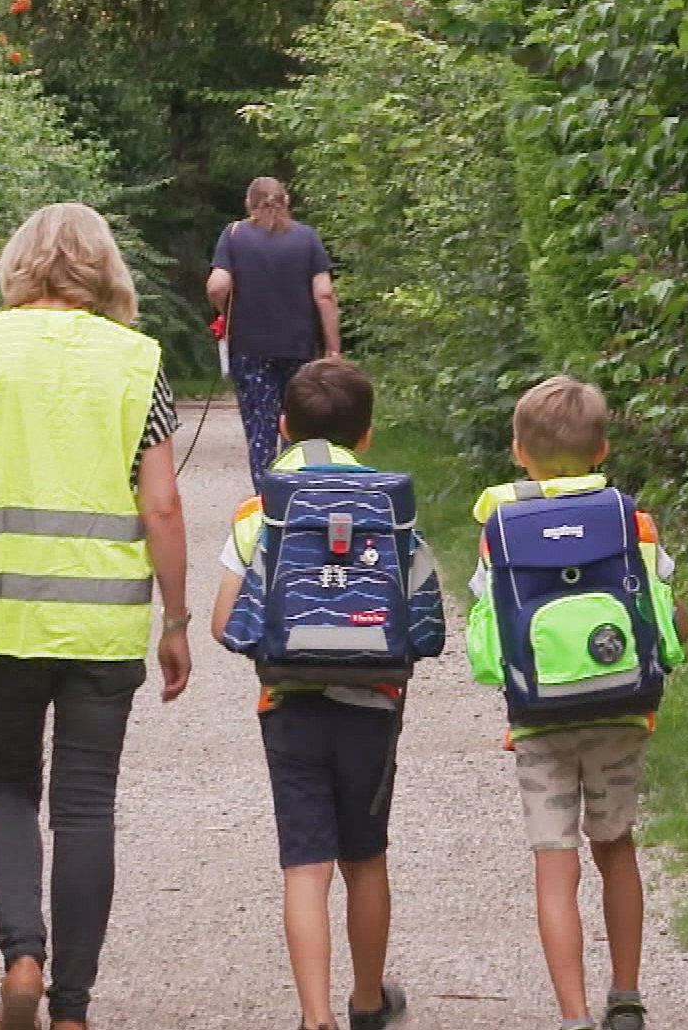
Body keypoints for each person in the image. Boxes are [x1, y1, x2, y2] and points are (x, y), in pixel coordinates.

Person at [0, 202, 194, 1030]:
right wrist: (174, 621)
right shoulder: (139, 362)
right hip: (103, 624)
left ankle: (22, 961)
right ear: (104, 267)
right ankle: (71, 1010)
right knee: (84, 806)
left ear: (20, 262)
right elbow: (166, 505)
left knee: (4, 790)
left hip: (1, 616)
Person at [465, 376, 688, 1030]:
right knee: (615, 846)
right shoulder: (632, 520)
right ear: (603, 448)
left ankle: (572, 1015)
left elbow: (487, 622)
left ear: (518, 451)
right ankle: (625, 995)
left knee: (554, 863)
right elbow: (666, 605)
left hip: (540, 718)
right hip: (621, 710)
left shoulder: (500, 529)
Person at [210, 359, 426, 1030]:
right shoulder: (393, 505)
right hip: (373, 704)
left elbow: (225, 622)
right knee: (366, 858)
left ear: (282, 427)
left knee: (306, 864)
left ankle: (315, 1016)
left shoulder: (261, 510)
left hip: (290, 706)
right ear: (366, 435)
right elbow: (419, 613)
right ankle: (367, 1001)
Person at [205, 176, 343, 489]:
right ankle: (298, 497)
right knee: (298, 426)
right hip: (299, 350)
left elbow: (217, 285)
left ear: (248, 204)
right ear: (287, 201)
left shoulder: (234, 235)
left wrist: (227, 313)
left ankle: (267, 501)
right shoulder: (307, 239)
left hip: (249, 349)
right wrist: (333, 350)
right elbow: (324, 294)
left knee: (260, 430)